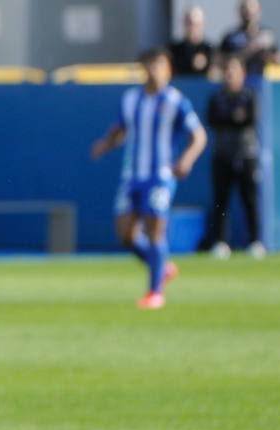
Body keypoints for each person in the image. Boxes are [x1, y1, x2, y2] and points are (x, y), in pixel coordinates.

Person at [90, 48, 206, 310]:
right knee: (126, 235)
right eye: (150, 63)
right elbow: (120, 129)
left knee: (155, 231)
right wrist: (105, 145)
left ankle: (155, 293)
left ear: (169, 69)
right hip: (132, 176)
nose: (154, 69)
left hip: (160, 176)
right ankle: (162, 267)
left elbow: (199, 136)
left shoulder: (176, 101)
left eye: (159, 64)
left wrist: (186, 160)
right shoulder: (131, 99)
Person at [206, 55, 264, 259]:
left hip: (246, 153)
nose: (230, 75)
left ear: (243, 73)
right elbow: (214, 120)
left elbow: (250, 120)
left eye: (234, 70)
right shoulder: (217, 97)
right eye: (227, 70)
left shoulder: (249, 96)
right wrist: (234, 117)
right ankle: (221, 242)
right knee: (221, 200)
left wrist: (232, 119)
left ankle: (255, 241)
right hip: (222, 154)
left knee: (250, 199)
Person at [218, 0, 280, 86]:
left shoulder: (267, 35)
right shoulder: (231, 37)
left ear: (259, 11)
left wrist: (267, 56)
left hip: (260, 83)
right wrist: (250, 49)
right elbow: (219, 61)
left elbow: (279, 59)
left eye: (252, 9)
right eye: (245, 9)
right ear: (239, 11)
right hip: (237, 86)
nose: (248, 12)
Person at [169, 6, 215, 77]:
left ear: (203, 25)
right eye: (190, 23)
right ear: (184, 23)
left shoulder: (210, 50)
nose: (193, 28)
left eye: (197, 24)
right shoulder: (173, 50)